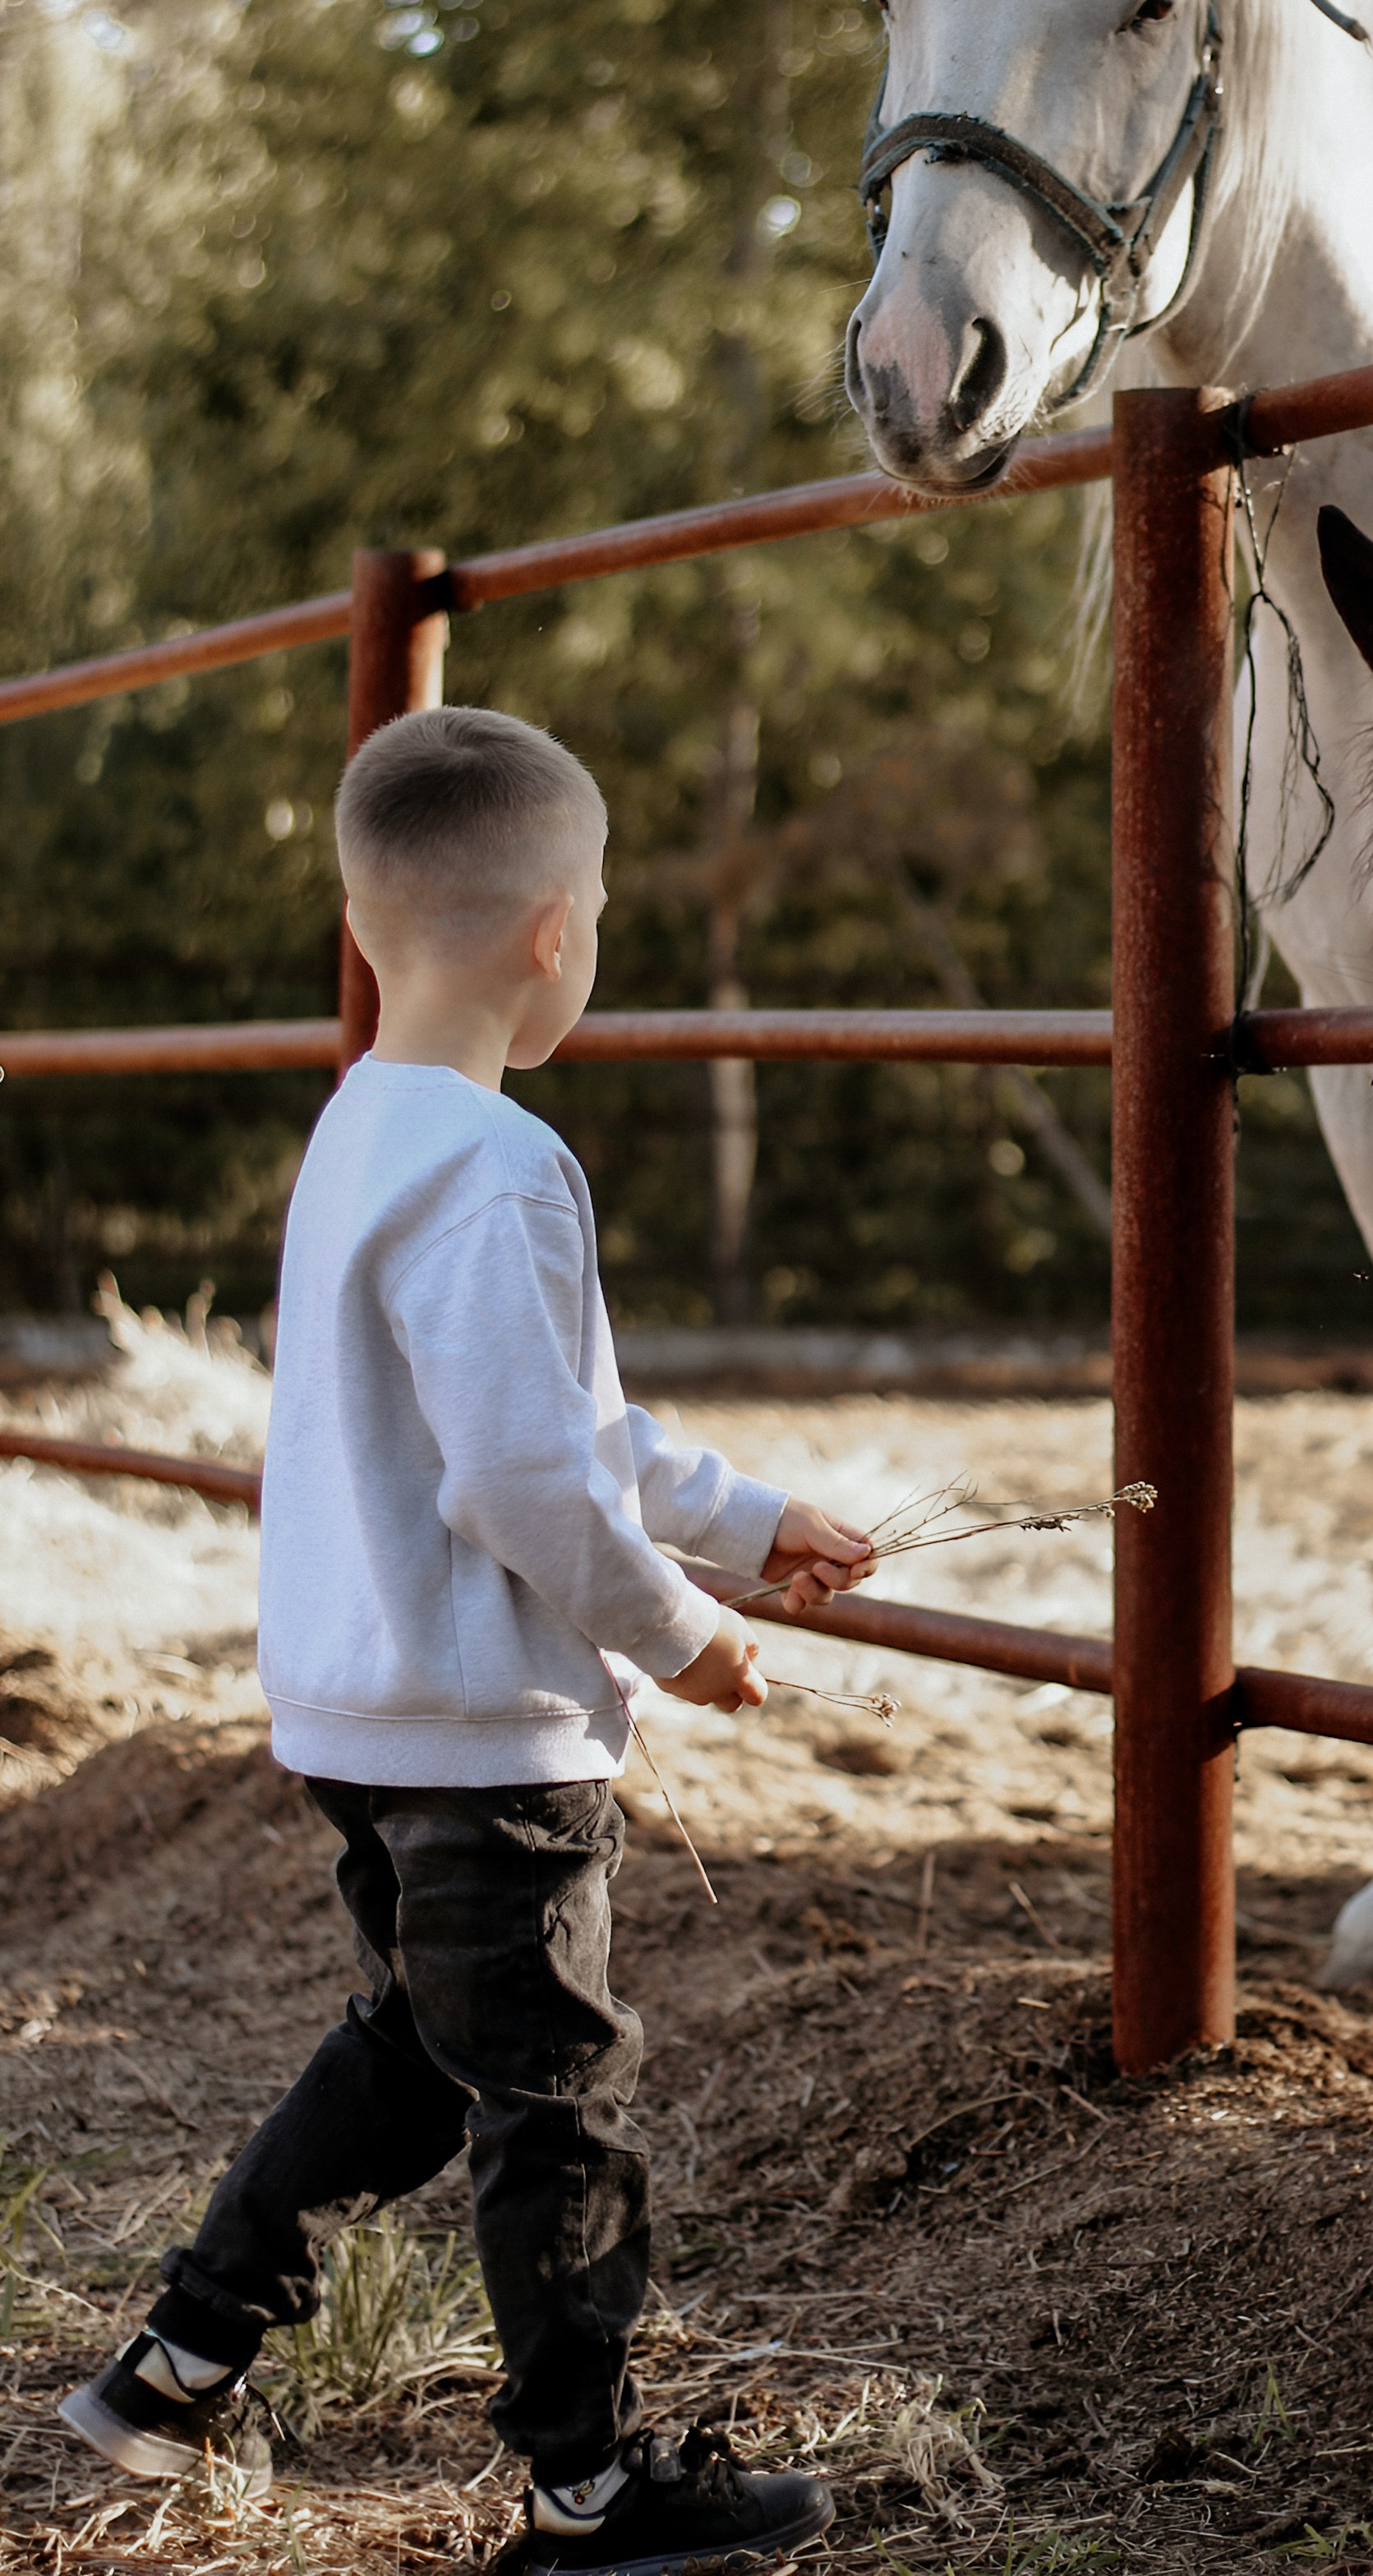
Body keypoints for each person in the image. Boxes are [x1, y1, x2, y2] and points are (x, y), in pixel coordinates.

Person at [60, 705, 871, 2574]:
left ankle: (179, 2360)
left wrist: (746, 1520)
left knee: (418, 2057)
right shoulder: (500, 1165)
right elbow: (521, 1479)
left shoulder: (364, 1127)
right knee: (556, 2103)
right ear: (553, 935)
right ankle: (590, 2494)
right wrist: (686, 1638)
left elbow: (547, 1429)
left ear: (362, 930)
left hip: (365, 1706)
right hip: (491, 1734)